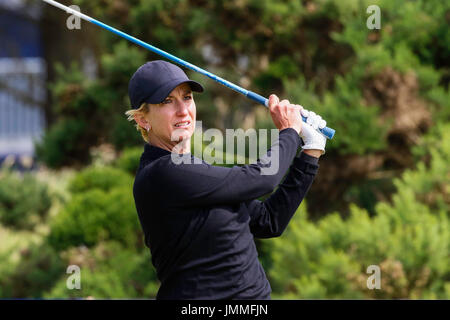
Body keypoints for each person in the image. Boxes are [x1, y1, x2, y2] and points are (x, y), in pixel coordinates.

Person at [126, 60, 327, 300]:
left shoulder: (194, 169)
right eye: (167, 101)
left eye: (187, 97)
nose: (183, 110)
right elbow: (261, 179)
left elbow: (269, 221)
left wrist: (311, 152)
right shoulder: (162, 173)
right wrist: (290, 132)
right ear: (142, 119)